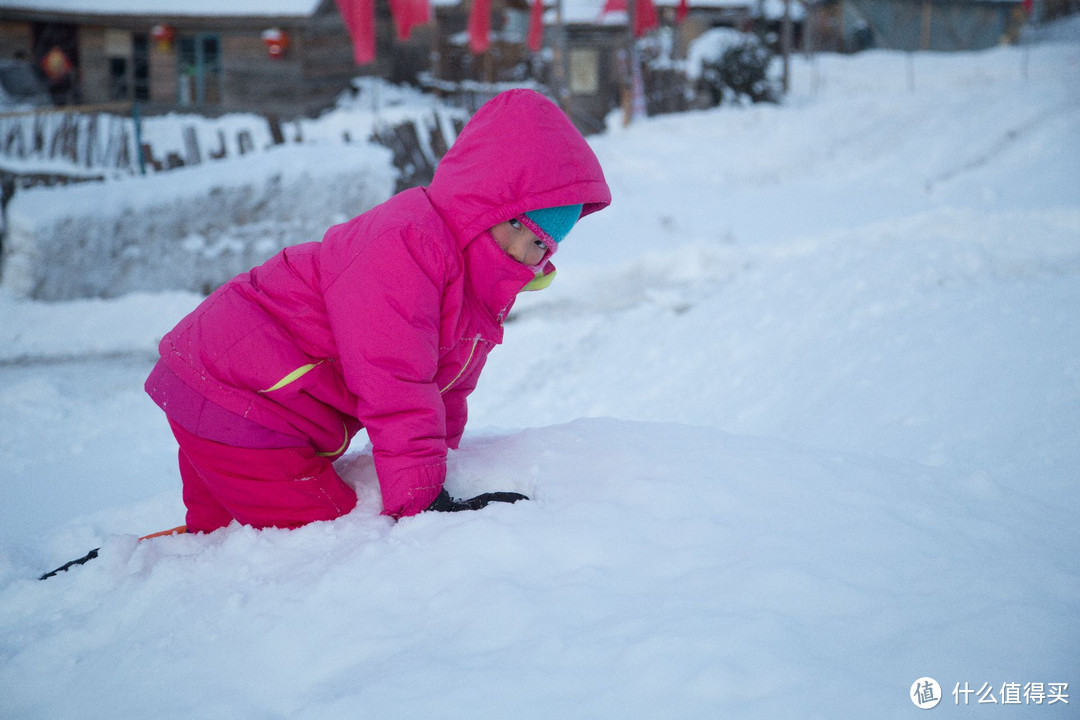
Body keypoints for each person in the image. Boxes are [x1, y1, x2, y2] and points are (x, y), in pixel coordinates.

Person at [144, 89, 611, 533]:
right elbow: (395, 378)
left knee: (223, 539)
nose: (539, 260)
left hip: (246, 398)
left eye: (548, 247)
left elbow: (444, 386)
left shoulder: (478, 282)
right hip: (241, 397)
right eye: (535, 241)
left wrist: (443, 461)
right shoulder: (408, 245)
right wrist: (422, 496)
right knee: (328, 535)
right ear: (501, 215)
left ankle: (192, 570)